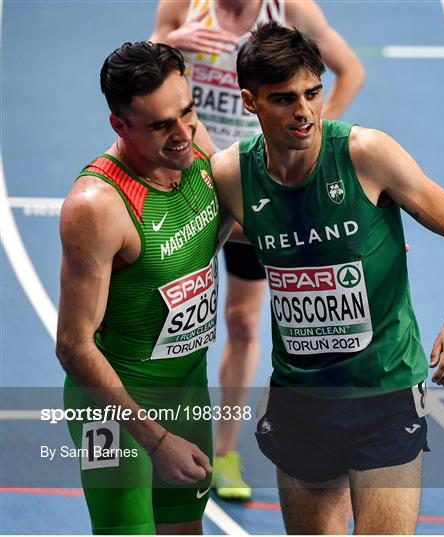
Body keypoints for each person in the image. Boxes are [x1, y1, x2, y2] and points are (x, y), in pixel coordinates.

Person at [211, 22, 444, 534]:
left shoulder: (366, 153)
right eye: (284, 99)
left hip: (384, 389)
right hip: (300, 397)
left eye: (313, 93)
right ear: (249, 102)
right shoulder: (231, 175)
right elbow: (205, 239)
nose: (304, 112)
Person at [150, 0, 365, 500]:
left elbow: (350, 71)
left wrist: (304, 137)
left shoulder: (290, 9)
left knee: (244, 323)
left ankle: (224, 451)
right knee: (175, 312)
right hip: (192, 178)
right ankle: (160, 431)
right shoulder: (183, 5)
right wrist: (175, 43)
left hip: (256, 185)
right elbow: (150, 73)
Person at [56, 41, 226, 534]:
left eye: (187, 112)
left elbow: (237, 224)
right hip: (110, 411)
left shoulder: (190, 143)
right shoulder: (96, 206)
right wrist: (154, 441)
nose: (182, 135)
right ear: (119, 125)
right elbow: (72, 346)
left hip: (187, 388)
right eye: (159, 125)